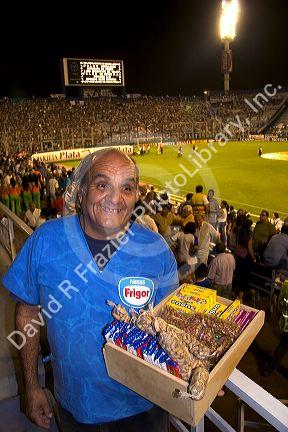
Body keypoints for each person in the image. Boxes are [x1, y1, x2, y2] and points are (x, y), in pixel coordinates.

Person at [2, 149, 178, 432]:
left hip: (145, 406)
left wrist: (198, 367)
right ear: (81, 192)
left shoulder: (156, 251)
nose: (115, 198)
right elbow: (26, 314)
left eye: (127, 188)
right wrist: (32, 386)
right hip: (75, 406)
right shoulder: (46, 241)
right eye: (102, 185)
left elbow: (171, 324)